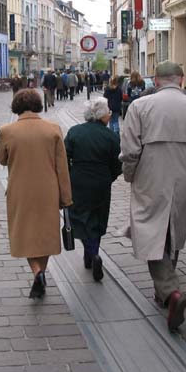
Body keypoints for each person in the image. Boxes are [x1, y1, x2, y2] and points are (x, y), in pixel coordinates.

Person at [120, 61, 186, 331]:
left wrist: (130, 174)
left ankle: (170, 291)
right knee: (175, 224)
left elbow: (130, 149)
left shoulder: (140, 106)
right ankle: (165, 290)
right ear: (181, 80)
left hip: (151, 171)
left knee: (151, 229)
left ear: (156, 81)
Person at [0, 89, 73, 299]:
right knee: (45, 235)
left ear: (17, 106)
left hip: (20, 190)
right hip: (48, 190)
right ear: (38, 105)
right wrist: (66, 197)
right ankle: (41, 272)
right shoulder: (53, 129)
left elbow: (2, 159)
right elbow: (62, 168)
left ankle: (37, 272)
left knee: (25, 234)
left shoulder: (7, 131)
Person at [65, 98, 122, 281]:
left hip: (79, 181)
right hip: (101, 182)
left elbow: (64, 157)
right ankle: (93, 254)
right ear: (102, 115)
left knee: (80, 218)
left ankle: (91, 253)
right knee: (98, 219)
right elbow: (118, 164)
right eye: (108, 112)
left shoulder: (75, 132)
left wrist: (70, 174)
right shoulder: (111, 136)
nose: (110, 115)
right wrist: (109, 177)